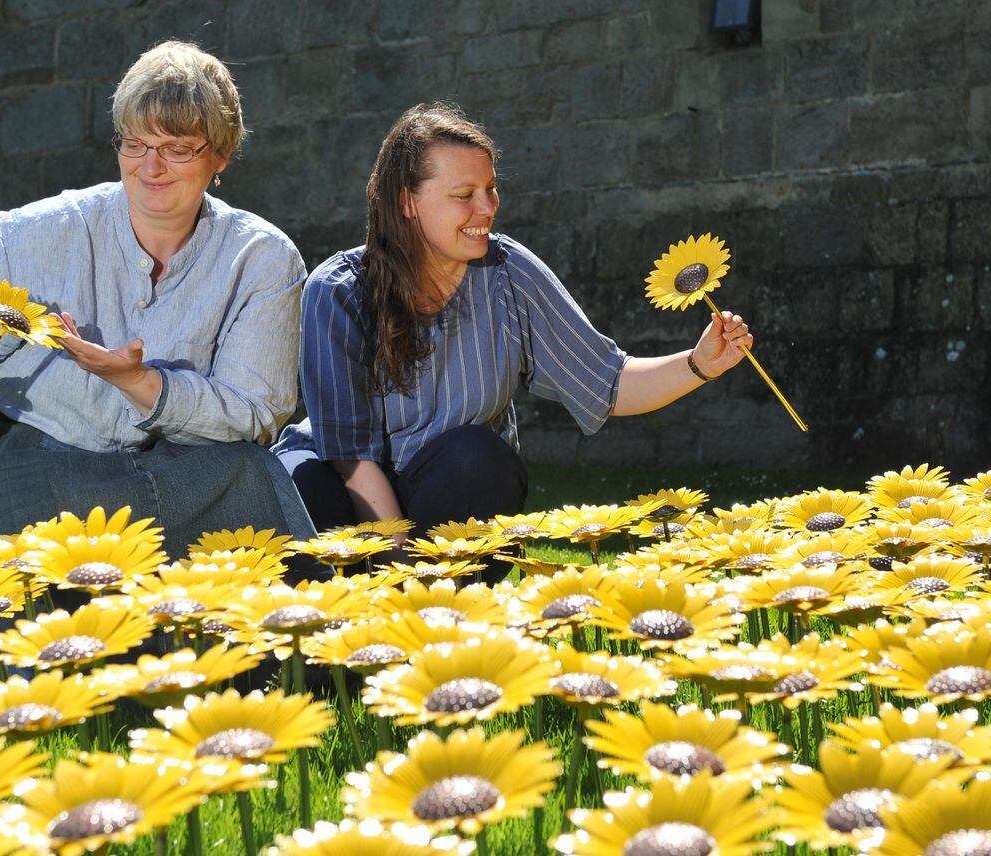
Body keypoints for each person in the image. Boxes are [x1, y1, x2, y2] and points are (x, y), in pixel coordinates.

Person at [0, 40, 323, 582]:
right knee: (9, 610)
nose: (151, 167)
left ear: (221, 155)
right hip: (27, 457)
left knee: (250, 489)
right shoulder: (25, 238)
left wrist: (143, 384)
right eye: (135, 144)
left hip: (183, 469)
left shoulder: (261, 259)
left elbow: (258, 412)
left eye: (178, 147)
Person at [274, 103, 753, 569]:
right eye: (464, 194)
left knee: (478, 458)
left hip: (452, 488)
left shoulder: (508, 272)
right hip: (345, 485)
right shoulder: (337, 290)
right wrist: (399, 572)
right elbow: (352, 460)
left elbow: (608, 381)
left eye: (491, 188)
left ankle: (452, 608)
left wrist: (699, 363)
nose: (487, 208)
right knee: (301, 487)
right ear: (407, 202)